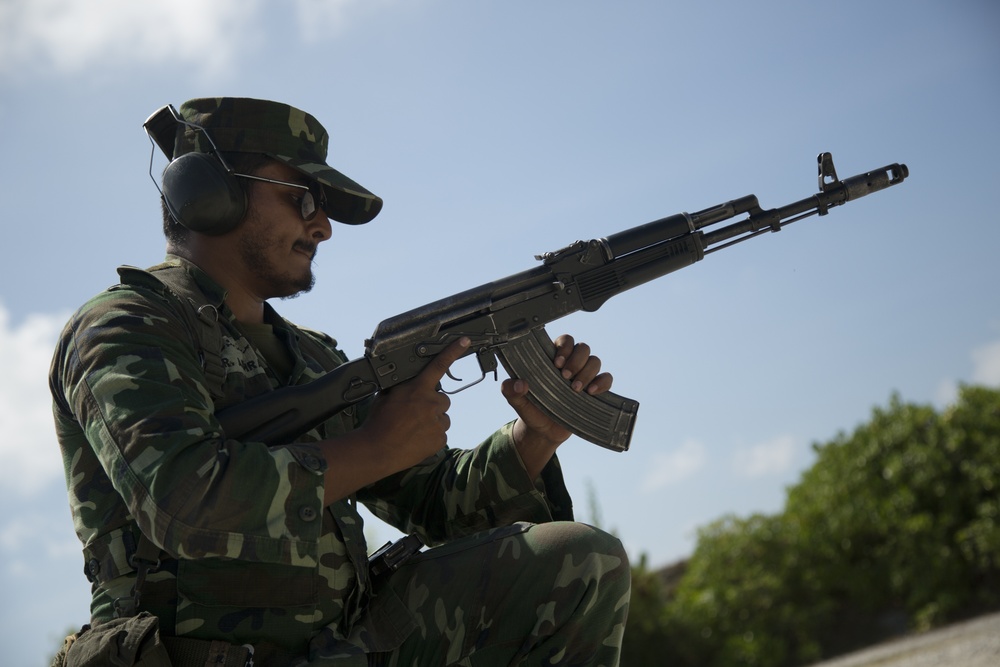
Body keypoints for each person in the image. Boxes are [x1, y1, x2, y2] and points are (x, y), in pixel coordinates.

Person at [49, 97, 630, 667]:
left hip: (344, 646)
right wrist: (371, 447)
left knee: (577, 564)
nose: (322, 227)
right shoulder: (126, 326)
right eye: (302, 199)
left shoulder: (312, 357)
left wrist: (536, 436)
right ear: (211, 193)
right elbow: (183, 502)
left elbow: (437, 506)